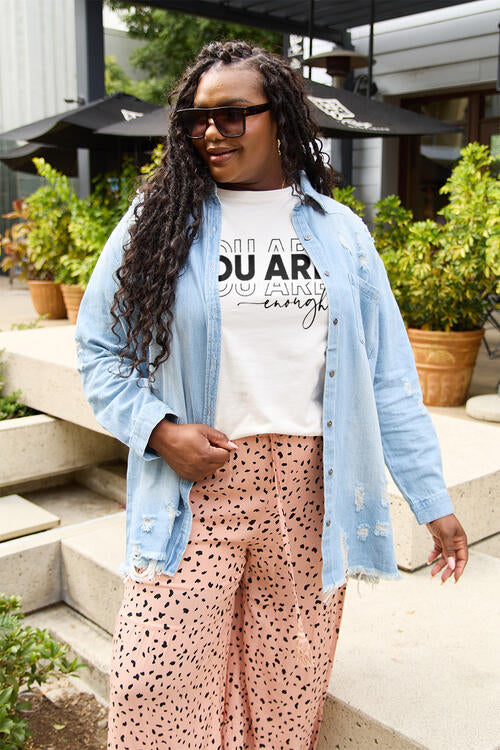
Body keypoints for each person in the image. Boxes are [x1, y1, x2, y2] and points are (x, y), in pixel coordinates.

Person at [75, 40, 468, 750]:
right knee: (152, 684)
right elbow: (98, 349)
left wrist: (431, 500)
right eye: (196, 119)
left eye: (232, 115)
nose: (210, 132)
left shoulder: (342, 235)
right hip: (197, 486)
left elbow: (389, 379)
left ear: (279, 115)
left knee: (284, 696)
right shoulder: (155, 222)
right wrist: (159, 430)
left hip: (310, 490)